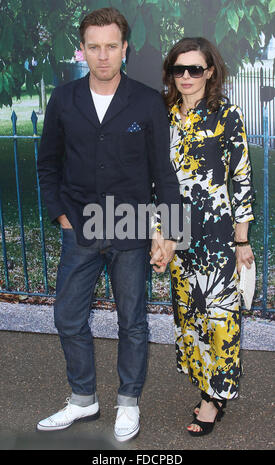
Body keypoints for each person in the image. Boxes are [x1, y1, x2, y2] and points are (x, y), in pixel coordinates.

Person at [36, 7, 181, 442]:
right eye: (94, 47)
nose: (102, 56)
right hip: (80, 228)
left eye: (111, 46)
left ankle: (128, 403)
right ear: (83, 50)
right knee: (67, 316)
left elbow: (164, 172)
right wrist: (62, 217)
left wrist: (169, 232)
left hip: (131, 227)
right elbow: (47, 166)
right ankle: (83, 399)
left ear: (125, 49)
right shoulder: (63, 99)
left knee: (132, 322)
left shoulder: (147, 101)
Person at [160, 37, 255, 436]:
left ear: (210, 71)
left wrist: (242, 238)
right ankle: (205, 385)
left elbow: (242, 178)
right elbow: (155, 178)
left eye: (194, 69)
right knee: (191, 316)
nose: (186, 77)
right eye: (179, 69)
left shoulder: (227, 115)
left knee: (220, 318)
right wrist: (158, 231)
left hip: (217, 234)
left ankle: (215, 398)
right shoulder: (163, 114)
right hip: (178, 232)